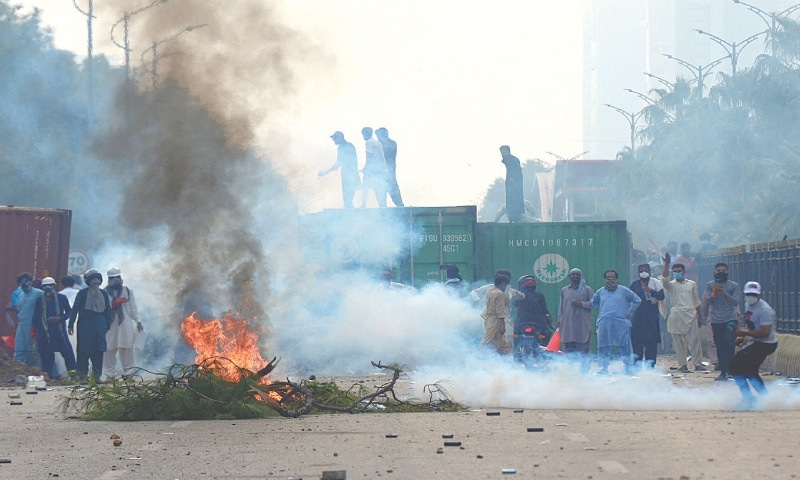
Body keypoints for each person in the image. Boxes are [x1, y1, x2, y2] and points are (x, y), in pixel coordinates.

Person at [730, 281, 778, 410]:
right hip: (756, 342)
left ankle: (752, 398)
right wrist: (744, 338)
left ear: (759, 294)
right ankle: (762, 398)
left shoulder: (765, 310)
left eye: (753, 294)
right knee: (746, 370)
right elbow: (753, 327)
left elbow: (764, 333)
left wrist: (743, 333)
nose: (750, 296)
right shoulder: (748, 305)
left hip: (766, 344)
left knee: (739, 367)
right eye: (748, 294)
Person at [661, 256, 706, 373]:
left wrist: (699, 317)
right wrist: (667, 264)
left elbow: (696, 301)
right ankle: (683, 365)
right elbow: (664, 279)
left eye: (679, 271)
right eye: (674, 271)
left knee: (695, 340)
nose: (677, 273)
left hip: (691, 314)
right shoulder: (671, 285)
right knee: (678, 342)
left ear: (684, 272)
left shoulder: (692, 284)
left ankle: (698, 364)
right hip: (677, 314)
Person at [592, 270, 641, 374]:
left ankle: (628, 367)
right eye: (607, 277)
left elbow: (637, 300)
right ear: (604, 279)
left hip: (621, 322)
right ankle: (604, 368)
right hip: (604, 322)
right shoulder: (600, 291)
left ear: (616, 279)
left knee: (624, 344)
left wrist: (629, 312)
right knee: (603, 345)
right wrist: (602, 310)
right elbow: (594, 302)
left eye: (612, 277)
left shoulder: (623, 290)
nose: (610, 279)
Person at [68, 268, 113, 381]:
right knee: (83, 352)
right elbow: (75, 309)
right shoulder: (82, 293)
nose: (95, 282)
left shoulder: (103, 293)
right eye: (93, 279)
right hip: (85, 327)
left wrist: (107, 325)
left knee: (98, 352)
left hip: (99, 327)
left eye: (97, 279)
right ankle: (83, 376)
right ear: (88, 281)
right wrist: (71, 324)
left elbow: (108, 311)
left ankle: (96, 377)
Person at [31, 277, 77, 379]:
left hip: (59, 332)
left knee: (68, 353)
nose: (48, 287)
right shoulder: (39, 300)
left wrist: (60, 318)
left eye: (50, 285)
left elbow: (70, 312)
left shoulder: (61, 298)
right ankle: (48, 376)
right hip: (45, 332)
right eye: (45, 286)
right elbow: (36, 315)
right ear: (42, 287)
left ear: (54, 286)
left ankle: (73, 376)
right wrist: (33, 329)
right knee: (46, 355)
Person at [701, 262, 740, 381]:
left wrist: (724, 293)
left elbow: (735, 302)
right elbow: (709, 302)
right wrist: (714, 293)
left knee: (730, 344)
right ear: (714, 272)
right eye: (719, 270)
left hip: (731, 319)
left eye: (724, 270)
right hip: (716, 320)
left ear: (727, 272)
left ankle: (731, 370)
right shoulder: (709, 285)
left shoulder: (734, 285)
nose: (721, 272)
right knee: (720, 346)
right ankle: (723, 371)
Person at [103, 267, 143, 381]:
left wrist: (138, 321)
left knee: (127, 348)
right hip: (110, 324)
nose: (116, 280)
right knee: (109, 348)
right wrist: (114, 304)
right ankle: (109, 375)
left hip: (125, 323)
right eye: (113, 278)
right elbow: (103, 308)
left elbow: (133, 307)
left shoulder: (127, 291)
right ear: (109, 279)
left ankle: (129, 373)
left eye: (118, 277)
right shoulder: (104, 292)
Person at [471, 269, 525, 350]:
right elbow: (474, 292)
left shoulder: (508, 290)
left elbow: (522, 296)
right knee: (490, 341)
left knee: (507, 341)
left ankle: (504, 360)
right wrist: (478, 300)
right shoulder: (491, 289)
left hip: (503, 319)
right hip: (496, 320)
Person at [557, 268, 594, 370]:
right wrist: (559, 321)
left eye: (578, 274)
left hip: (582, 325)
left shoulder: (587, 289)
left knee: (584, 349)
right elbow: (561, 308)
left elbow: (594, 304)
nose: (575, 276)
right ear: (569, 277)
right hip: (567, 324)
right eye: (573, 275)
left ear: (581, 276)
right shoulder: (564, 290)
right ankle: (569, 370)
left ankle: (584, 370)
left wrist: (581, 304)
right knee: (568, 348)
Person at [629, 264, 665, 368]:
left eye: (646, 270)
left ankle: (650, 367)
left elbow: (661, 296)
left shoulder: (656, 283)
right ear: (638, 273)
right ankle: (636, 367)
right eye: (641, 271)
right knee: (636, 342)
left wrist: (651, 291)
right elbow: (630, 298)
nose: (643, 272)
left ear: (649, 271)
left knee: (651, 343)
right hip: (638, 314)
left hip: (652, 314)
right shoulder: (635, 285)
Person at [319, 131, 361, 208]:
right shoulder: (348, 146)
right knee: (348, 199)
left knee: (347, 199)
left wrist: (325, 172)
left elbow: (339, 163)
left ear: (340, 138)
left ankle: (350, 215)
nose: (334, 140)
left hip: (349, 174)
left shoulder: (344, 147)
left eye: (335, 138)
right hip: (351, 173)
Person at [513, 275, 552, 347]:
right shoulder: (540, 295)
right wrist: (549, 320)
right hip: (538, 322)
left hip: (521, 322)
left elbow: (515, 305)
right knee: (547, 335)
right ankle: (546, 355)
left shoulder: (519, 295)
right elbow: (545, 310)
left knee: (514, 337)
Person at [13, 272, 43, 366]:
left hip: (33, 327)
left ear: (31, 282)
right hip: (22, 326)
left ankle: (40, 372)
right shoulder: (21, 295)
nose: (25, 284)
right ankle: (16, 370)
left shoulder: (39, 293)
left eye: (27, 281)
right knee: (19, 349)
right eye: (22, 282)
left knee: (34, 350)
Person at [480, 273, 512, 355]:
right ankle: (475, 358)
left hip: (488, 320)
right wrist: (503, 325)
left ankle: (508, 362)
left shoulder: (490, 291)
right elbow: (500, 311)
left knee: (503, 344)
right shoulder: (499, 293)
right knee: (487, 342)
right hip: (495, 321)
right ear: (503, 284)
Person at [375, 127, 404, 207]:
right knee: (382, 201)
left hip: (388, 175)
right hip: (383, 176)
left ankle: (403, 213)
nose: (377, 138)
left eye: (378, 136)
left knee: (397, 199)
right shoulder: (384, 144)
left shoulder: (391, 144)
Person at [360, 127, 388, 208]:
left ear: (365, 134)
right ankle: (383, 207)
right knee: (380, 190)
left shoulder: (369, 142)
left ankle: (363, 205)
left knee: (365, 186)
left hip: (374, 171)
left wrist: (365, 168)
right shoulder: (377, 142)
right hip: (382, 170)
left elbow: (369, 157)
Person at [499, 145, 524, 223]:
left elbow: (518, 171)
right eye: (502, 153)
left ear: (509, 152)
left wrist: (513, 178)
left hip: (514, 187)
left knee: (514, 202)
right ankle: (512, 217)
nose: (503, 154)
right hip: (511, 186)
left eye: (505, 152)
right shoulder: (511, 161)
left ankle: (515, 217)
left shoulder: (513, 160)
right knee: (511, 202)